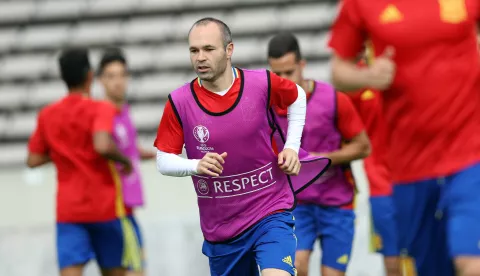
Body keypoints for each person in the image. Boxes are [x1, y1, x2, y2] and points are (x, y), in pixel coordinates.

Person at [154, 18, 330, 276]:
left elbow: (297, 97)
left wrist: (292, 147)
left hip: (270, 211)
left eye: (208, 49)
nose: (200, 57)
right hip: (222, 230)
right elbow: (163, 159)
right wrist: (195, 165)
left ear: (229, 50)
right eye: (194, 50)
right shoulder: (179, 102)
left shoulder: (261, 83)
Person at [328, 1, 480, 275]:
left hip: (469, 156)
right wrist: (369, 76)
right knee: (427, 268)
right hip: (408, 168)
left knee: (469, 262)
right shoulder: (361, 4)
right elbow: (339, 71)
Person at [26, 48, 141, 276]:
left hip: (69, 212)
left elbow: (33, 159)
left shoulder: (47, 114)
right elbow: (102, 144)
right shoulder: (101, 108)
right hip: (105, 208)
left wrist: (63, 151)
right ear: (90, 75)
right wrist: (124, 160)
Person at [267, 32, 371, 276]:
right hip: (296, 205)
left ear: (302, 66)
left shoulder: (334, 100)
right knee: (297, 266)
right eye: (277, 74)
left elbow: (363, 146)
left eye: (289, 72)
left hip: (337, 202)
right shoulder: (267, 107)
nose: (284, 80)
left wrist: (320, 160)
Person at [97, 48, 156, 276]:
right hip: (114, 209)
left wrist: (151, 154)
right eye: (111, 76)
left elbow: (127, 149)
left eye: (121, 75)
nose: (117, 82)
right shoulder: (102, 116)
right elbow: (103, 149)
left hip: (127, 208)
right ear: (101, 80)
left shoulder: (123, 112)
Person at [346, 48, 400, 276]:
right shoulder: (356, 78)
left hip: (423, 175)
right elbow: (343, 131)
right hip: (380, 184)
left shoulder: (411, 63)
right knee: (393, 259)